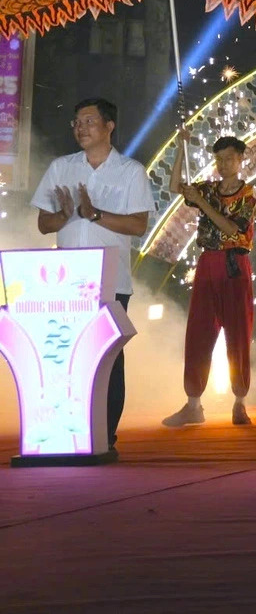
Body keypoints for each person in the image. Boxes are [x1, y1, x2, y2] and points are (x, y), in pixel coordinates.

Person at [30, 97, 155, 449]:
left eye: (88, 121)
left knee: (108, 360)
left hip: (110, 280)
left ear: (108, 126)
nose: (80, 128)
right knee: (66, 359)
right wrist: (66, 214)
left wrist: (95, 214)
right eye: (76, 123)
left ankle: (104, 436)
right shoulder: (61, 167)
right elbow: (44, 224)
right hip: (66, 280)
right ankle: (65, 431)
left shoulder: (130, 171)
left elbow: (138, 224)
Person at [163, 134, 256, 428]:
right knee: (199, 332)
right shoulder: (208, 189)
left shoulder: (248, 194)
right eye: (218, 159)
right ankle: (193, 404)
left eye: (229, 158)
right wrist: (180, 148)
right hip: (208, 263)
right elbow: (174, 185)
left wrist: (201, 204)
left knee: (238, 335)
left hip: (234, 266)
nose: (223, 164)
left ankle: (240, 402)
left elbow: (231, 228)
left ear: (241, 159)